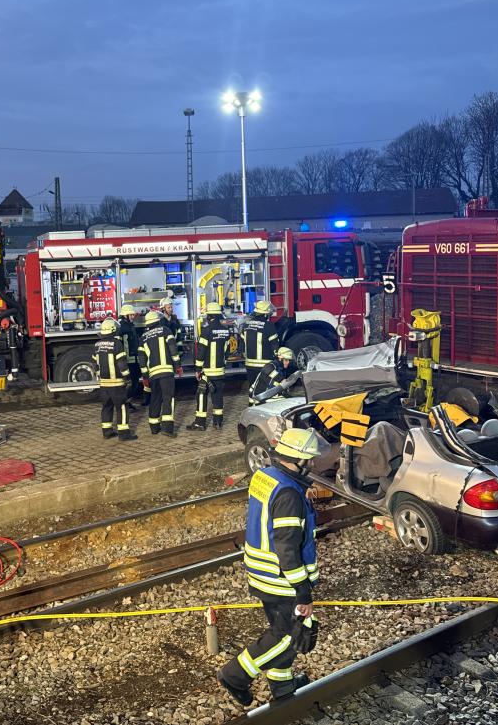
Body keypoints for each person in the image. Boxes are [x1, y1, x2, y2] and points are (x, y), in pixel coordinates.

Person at [217, 427, 321, 707]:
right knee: (289, 636)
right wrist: (303, 590)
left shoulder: (266, 477)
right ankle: (235, 675)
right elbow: (288, 549)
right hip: (282, 580)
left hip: (261, 573)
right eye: (310, 460)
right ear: (299, 460)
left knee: (279, 629)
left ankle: (283, 687)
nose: (312, 464)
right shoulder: (289, 495)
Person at [187, 302, 230, 431]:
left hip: (207, 372)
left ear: (209, 316)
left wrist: (198, 369)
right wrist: (223, 364)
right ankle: (217, 422)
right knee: (218, 395)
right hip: (220, 370)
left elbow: (201, 351)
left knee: (201, 394)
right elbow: (227, 351)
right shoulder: (225, 330)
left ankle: (200, 423)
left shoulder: (206, 330)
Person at [93, 318, 136, 441]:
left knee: (106, 407)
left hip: (104, 384)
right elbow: (122, 363)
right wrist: (127, 377)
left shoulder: (97, 345)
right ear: (113, 330)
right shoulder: (117, 344)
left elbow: (95, 364)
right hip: (117, 383)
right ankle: (124, 434)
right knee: (122, 407)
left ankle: (107, 431)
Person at [139, 310, 180, 436]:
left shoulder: (143, 337)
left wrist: (145, 375)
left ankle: (154, 427)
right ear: (158, 320)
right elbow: (173, 348)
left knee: (155, 399)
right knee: (168, 398)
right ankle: (167, 428)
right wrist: (177, 365)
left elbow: (141, 358)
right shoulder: (166, 330)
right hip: (166, 371)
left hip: (153, 374)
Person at [242, 300, 279, 390]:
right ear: (265, 314)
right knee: (262, 389)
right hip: (264, 366)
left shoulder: (246, 325)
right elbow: (274, 345)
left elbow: (242, 344)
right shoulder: (269, 326)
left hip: (249, 364)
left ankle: (252, 403)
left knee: (252, 388)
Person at [117, 304, 145, 407]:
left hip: (132, 359)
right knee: (132, 382)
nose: (133, 317)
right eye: (131, 315)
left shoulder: (127, 325)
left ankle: (126, 402)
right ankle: (124, 403)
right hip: (129, 360)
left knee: (134, 382)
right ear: (125, 315)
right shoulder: (123, 327)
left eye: (133, 315)